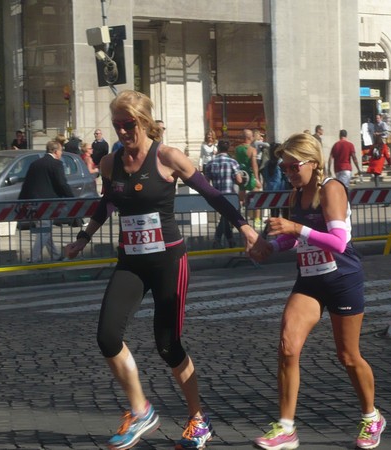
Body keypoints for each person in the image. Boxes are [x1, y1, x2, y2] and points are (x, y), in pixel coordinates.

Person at [64, 90, 265, 450]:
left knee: (168, 344)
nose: (123, 131)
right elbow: (107, 202)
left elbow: (212, 194)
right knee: (108, 336)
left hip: (169, 261)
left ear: (144, 122)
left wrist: (245, 228)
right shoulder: (110, 163)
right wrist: (83, 238)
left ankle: (197, 419)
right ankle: (141, 411)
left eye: (129, 125)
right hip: (131, 261)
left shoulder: (167, 157)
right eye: (117, 125)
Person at [250, 132, 385, 450]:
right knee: (287, 347)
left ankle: (371, 417)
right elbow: (297, 240)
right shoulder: (296, 196)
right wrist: (269, 246)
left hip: (343, 279)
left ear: (313, 162)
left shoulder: (331, 189)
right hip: (310, 280)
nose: (289, 173)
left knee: (348, 356)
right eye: (284, 168)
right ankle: (285, 428)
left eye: (294, 166)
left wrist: (296, 228)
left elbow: (338, 242)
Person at [19, 140, 73, 262]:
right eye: (60, 151)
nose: (61, 154)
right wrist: (71, 197)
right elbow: (62, 183)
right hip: (48, 203)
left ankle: (55, 254)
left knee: (45, 229)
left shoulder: (35, 164)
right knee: (44, 231)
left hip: (34, 202)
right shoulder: (56, 164)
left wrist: (21, 201)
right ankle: (34, 258)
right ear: (55, 151)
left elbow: (27, 184)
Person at [204, 140, 242, 248]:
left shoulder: (210, 163)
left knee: (224, 217)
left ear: (218, 148)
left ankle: (229, 240)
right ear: (228, 148)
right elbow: (239, 180)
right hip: (230, 195)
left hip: (216, 195)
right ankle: (219, 239)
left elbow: (206, 182)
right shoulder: (233, 162)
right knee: (226, 217)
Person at [235, 128, 263, 226]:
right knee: (256, 197)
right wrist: (257, 178)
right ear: (249, 137)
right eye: (251, 136)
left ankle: (237, 218)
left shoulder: (237, 149)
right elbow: (254, 165)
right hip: (250, 176)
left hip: (242, 176)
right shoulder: (252, 150)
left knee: (240, 198)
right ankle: (257, 220)